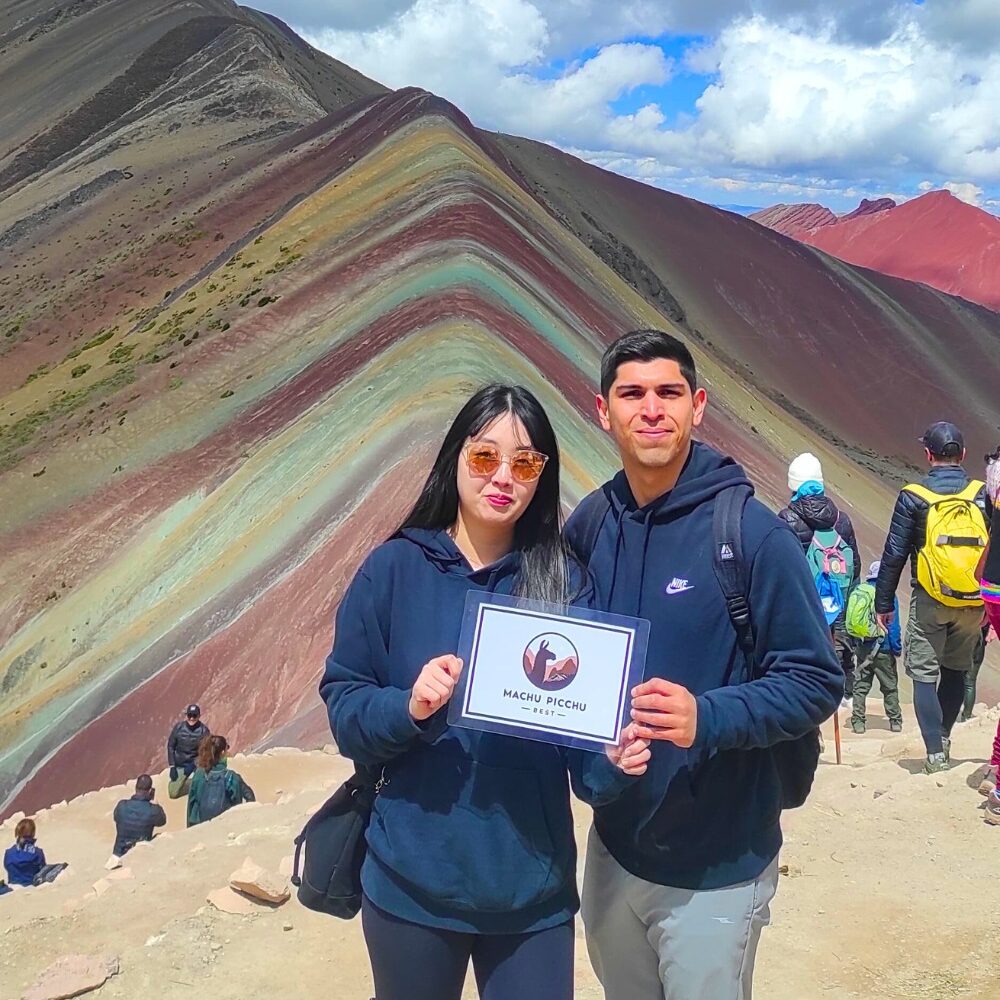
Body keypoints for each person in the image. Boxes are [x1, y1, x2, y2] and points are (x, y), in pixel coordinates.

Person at [319, 384, 651, 1000]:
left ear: (541, 476)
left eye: (525, 462)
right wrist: (409, 707)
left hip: (531, 891)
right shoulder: (393, 570)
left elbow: (586, 763)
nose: (503, 476)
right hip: (409, 884)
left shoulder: (564, 584)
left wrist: (614, 761)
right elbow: (345, 709)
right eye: (484, 457)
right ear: (455, 458)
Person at [564, 330, 842, 1000]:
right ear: (604, 411)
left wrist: (705, 715)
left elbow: (814, 680)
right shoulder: (591, 525)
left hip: (719, 865)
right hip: (614, 848)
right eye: (632, 393)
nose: (651, 408)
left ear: (698, 406)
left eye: (669, 392)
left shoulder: (749, 536)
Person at [875, 422, 989, 774]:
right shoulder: (982, 494)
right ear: (963, 455)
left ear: (928, 454)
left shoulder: (914, 496)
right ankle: (944, 736)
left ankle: (934, 753)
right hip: (974, 601)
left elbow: (894, 553)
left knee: (924, 673)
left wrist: (883, 604)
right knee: (956, 669)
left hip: (930, 600)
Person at [778, 452, 861, 706]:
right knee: (831, 661)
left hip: (801, 608)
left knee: (802, 668)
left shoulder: (786, 519)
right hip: (834, 608)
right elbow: (854, 565)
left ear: (793, 485)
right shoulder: (841, 520)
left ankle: (811, 729)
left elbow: (780, 569)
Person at [848, 562, 902, 734]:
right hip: (883, 648)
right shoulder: (888, 595)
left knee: (861, 685)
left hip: (863, 646)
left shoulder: (861, 591)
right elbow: (893, 626)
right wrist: (896, 648)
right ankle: (895, 720)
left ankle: (858, 721)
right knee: (889, 685)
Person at [186, 736, 255, 827]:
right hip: (226, 825)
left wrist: (190, 829)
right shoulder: (231, 777)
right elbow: (249, 796)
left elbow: (191, 804)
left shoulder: (199, 775)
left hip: (202, 825)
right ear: (222, 753)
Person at [112, 774, 167, 857]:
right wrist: (156, 804)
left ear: (135, 788)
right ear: (150, 791)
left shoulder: (121, 805)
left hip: (118, 853)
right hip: (138, 854)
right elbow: (163, 821)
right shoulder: (152, 810)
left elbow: (116, 818)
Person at [166, 704, 210, 798]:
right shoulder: (178, 728)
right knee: (173, 793)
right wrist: (172, 766)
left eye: (194, 716)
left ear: (199, 716)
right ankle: (187, 781)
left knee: (204, 789)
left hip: (195, 765)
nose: (192, 718)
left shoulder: (204, 731)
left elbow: (206, 752)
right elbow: (170, 746)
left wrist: (194, 763)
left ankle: (197, 781)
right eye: (189, 715)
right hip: (180, 765)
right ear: (186, 716)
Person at [4, 819, 45, 887]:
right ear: (33, 833)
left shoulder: (8, 853)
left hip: (12, 885)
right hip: (31, 884)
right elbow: (42, 870)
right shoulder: (38, 853)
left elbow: (7, 868)